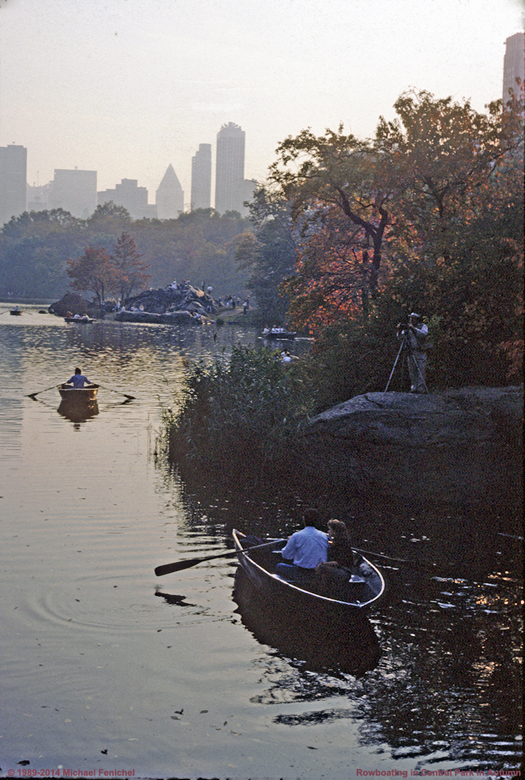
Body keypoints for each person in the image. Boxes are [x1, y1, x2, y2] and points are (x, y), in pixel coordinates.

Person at [275, 508, 328, 582]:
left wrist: (290, 541)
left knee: (279, 566)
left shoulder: (296, 535)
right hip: (318, 573)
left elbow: (286, 556)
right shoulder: (324, 536)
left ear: (304, 519)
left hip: (302, 573)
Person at [399, 312, 429, 393]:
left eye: (413, 318)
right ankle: (414, 388)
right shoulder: (407, 328)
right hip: (410, 351)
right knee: (412, 370)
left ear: (417, 319)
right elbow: (401, 337)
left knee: (421, 370)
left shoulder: (422, 326)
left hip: (420, 351)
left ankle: (421, 389)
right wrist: (399, 330)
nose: (411, 320)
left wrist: (413, 329)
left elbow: (423, 334)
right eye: (410, 318)